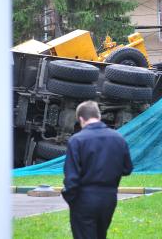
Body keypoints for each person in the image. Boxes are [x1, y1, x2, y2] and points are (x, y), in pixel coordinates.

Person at [62, 101, 133, 239]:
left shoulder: (77, 140)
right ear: (99, 116)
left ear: (81, 119)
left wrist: (70, 198)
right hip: (109, 198)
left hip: (84, 198)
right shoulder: (118, 138)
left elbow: (72, 177)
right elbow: (127, 169)